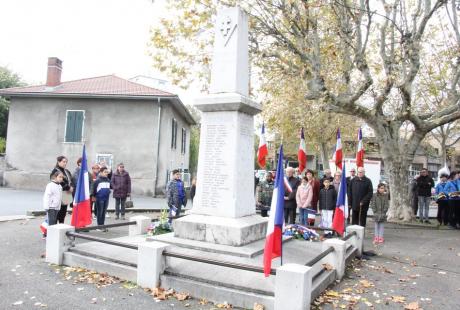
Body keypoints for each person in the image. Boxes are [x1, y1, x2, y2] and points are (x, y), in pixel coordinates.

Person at [50, 156, 74, 224]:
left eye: (66, 162)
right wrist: (68, 188)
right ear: (58, 162)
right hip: (58, 195)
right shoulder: (55, 171)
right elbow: (56, 182)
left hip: (66, 195)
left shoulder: (67, 171)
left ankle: (61, 227)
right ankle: (54, 228)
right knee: (57, 213)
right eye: (63, 162)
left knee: (63, 213)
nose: (65, 163)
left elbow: (71, 180)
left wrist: (71, 186)